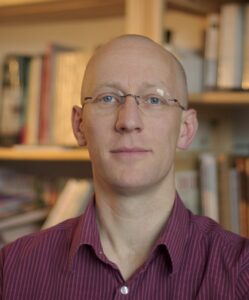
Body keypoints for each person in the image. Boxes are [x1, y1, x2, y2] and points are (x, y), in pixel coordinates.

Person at [0, 34, 249, 300]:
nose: (129, 121)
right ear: (79, 125)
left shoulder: (240, 274)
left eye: (154, 99)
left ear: (186, 129)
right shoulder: (12, 268)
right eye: (108, 98)